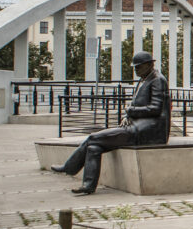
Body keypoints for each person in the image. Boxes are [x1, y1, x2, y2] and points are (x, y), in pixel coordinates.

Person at [51, 52, 170, 194]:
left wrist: (131, 111)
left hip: (148, 131)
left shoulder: (158, 80)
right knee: (94, 148)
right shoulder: (144, 79)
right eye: (134, 67)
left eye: (138, 67)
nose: (135, 70)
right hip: (137, 125)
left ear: (150, 64)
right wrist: (127, 115)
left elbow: (155, 108)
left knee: (93, 138)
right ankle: (88, 185)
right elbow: (137, 105)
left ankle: (69, 167)